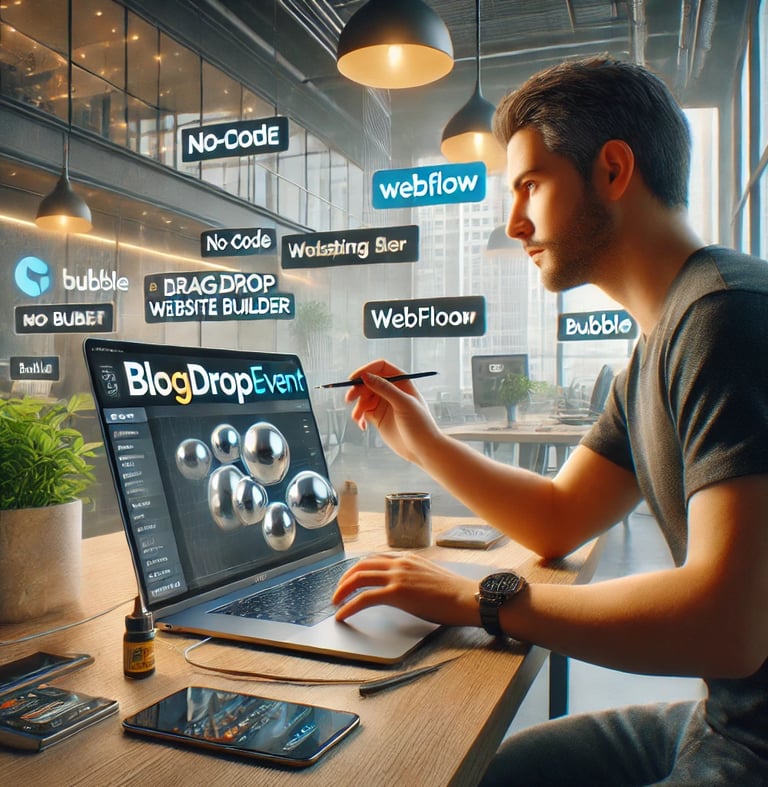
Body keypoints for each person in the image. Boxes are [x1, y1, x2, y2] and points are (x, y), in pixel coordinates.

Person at [331, 57, 768, 785]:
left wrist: (476, 600)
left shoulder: (723, 319)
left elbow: (730, 626)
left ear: (614, 170)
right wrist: (425, 440)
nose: (514, 221)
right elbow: (559, 517)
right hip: (726, 717)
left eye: (530, 185)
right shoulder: (668, 336)